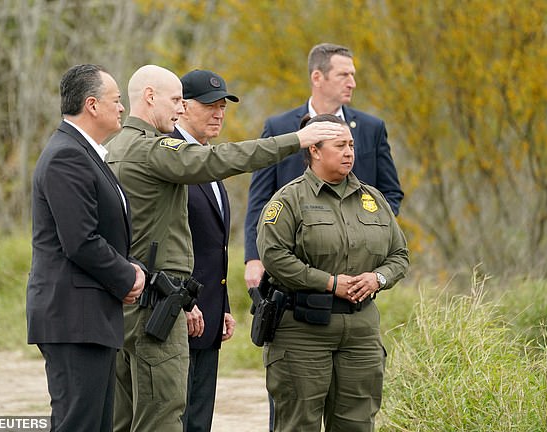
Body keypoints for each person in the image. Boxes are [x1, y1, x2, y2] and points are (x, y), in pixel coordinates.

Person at [105, 64, 345, 432]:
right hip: (155, 303)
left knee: (126, 416)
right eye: (175, 100)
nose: (179, 108)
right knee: (162, 413)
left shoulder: (114, 147)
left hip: (134, 298)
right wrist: (295, 140)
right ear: (150, 97)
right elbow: (219, 160)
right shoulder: (152, 148)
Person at [256, 114, 409, 431]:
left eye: (351, 145)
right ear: (314, 149)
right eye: (340, 145)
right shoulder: (289, 200)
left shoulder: (373, 199)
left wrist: (376, 278)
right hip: (303, 331)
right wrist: (328, 283)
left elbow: (399, 255)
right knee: (300, 424)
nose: (349, 152)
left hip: (360, 331)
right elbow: (274, 257)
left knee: (356, 422)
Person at [26, 64, 145, 432]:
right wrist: (127, 277)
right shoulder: (68, 155)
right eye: (116, 100)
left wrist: (131, 268)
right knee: (79, 423)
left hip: (89, 316)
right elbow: (80, 240)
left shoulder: (87, 152)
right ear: (92, 105)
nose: (122, 108)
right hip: (73, 317)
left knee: (94, 423)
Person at [244, 42, 405, 293]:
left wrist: (371, 236)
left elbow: (390, 193)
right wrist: (254, 257)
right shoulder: (279, 127)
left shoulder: (371, 128)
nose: (352, 82)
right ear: (317, 77)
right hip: (293, 266)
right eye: (344, 75)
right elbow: (260, 198)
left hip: (356, 273)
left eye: (353, 75)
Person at [170, 69, 239, 431]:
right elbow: (167, 239)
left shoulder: (208, 160)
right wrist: (183, 303)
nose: (219, 113)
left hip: (209, 315)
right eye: (209, 105)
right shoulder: (171, 157)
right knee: (175, 417)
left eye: (223, 106)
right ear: (181, 107)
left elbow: (214, 246)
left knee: (200, 420)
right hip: (180, 312)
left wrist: (222, 305)